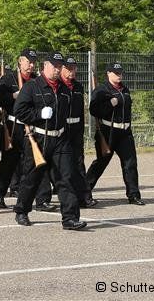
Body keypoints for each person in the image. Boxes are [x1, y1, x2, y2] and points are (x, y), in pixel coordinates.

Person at [13, 52, 86, 231]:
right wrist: (39, 114)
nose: (58, 69)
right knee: (32, 178)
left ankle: (70, 218)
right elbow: (19, 111)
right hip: (39, 138)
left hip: (60, 139)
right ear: (45, 65)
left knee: (66, 178)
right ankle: (21, 210)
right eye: (55, 66)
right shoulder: (32, 86)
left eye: (60, 66)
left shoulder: (64, 89)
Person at [0, 48, 55, 211]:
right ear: (20, 61)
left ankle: (42, 199)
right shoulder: (8, 79)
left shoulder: (37, 81)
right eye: (28, 62)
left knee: (37, 162)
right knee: (9, 162)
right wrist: (14, 96)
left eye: (33, 62)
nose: (31, 65)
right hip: (14, 126)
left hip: (33, 126)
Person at [86, 62, 144, 205]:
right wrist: (109, 104)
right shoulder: (101, 90)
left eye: (120, 73)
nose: (119, 75)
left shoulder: (125, 89)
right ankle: (84, 191)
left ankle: (134, 195)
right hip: (108, 132)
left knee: (130, 163)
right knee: (101, 163)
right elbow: (94, 110)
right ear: (108, 73)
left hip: (125, 132)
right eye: (116, 73)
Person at [61, 56, 96, 208]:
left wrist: (81, 130)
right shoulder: (58, 86)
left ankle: (84, 197)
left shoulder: (78, 87)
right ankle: (44, 198)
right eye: (69, 68)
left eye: (74, 68)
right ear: (62, 69)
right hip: (61, 129)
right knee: (61, 165)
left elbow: (81, 111)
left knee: (78, 163)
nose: (72, 71)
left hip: (75, 129)